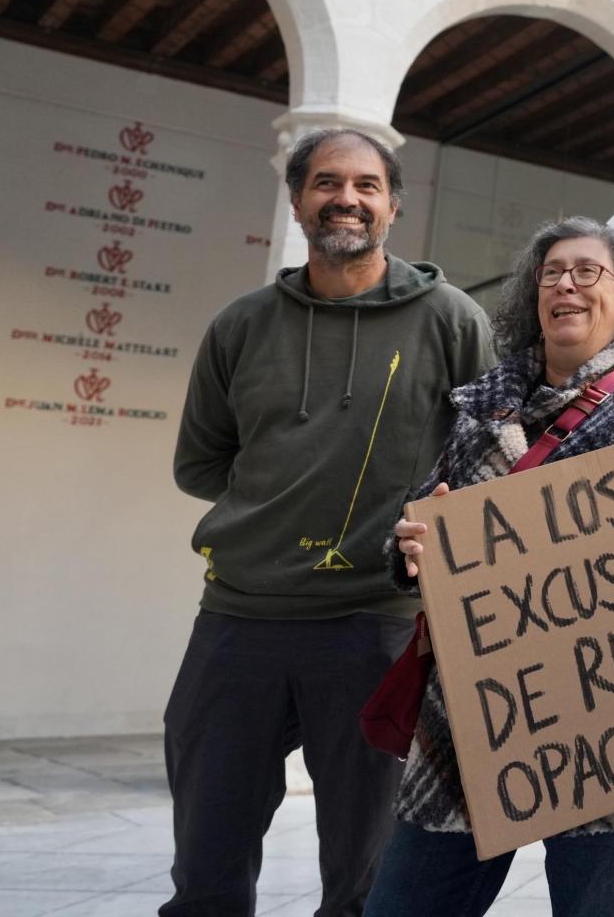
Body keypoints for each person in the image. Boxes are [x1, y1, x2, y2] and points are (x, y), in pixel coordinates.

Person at [364, 217, 614, 917]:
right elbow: (418, 522)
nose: (566, 285)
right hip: (471, 724)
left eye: (587, 271)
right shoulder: (479, 408)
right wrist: (413, 545)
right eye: (551, 273)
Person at [166, 128, 495, 917]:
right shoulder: (240, 325)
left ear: (393, 204)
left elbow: (488, 463)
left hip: (375, 629)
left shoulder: (450, 321)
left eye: (365, 185)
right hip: (238, 621)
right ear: (298, 199)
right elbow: (200, 464)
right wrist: (283, 506)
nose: (345, 198)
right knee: (206, 867)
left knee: (367, 879)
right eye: (326, 182)